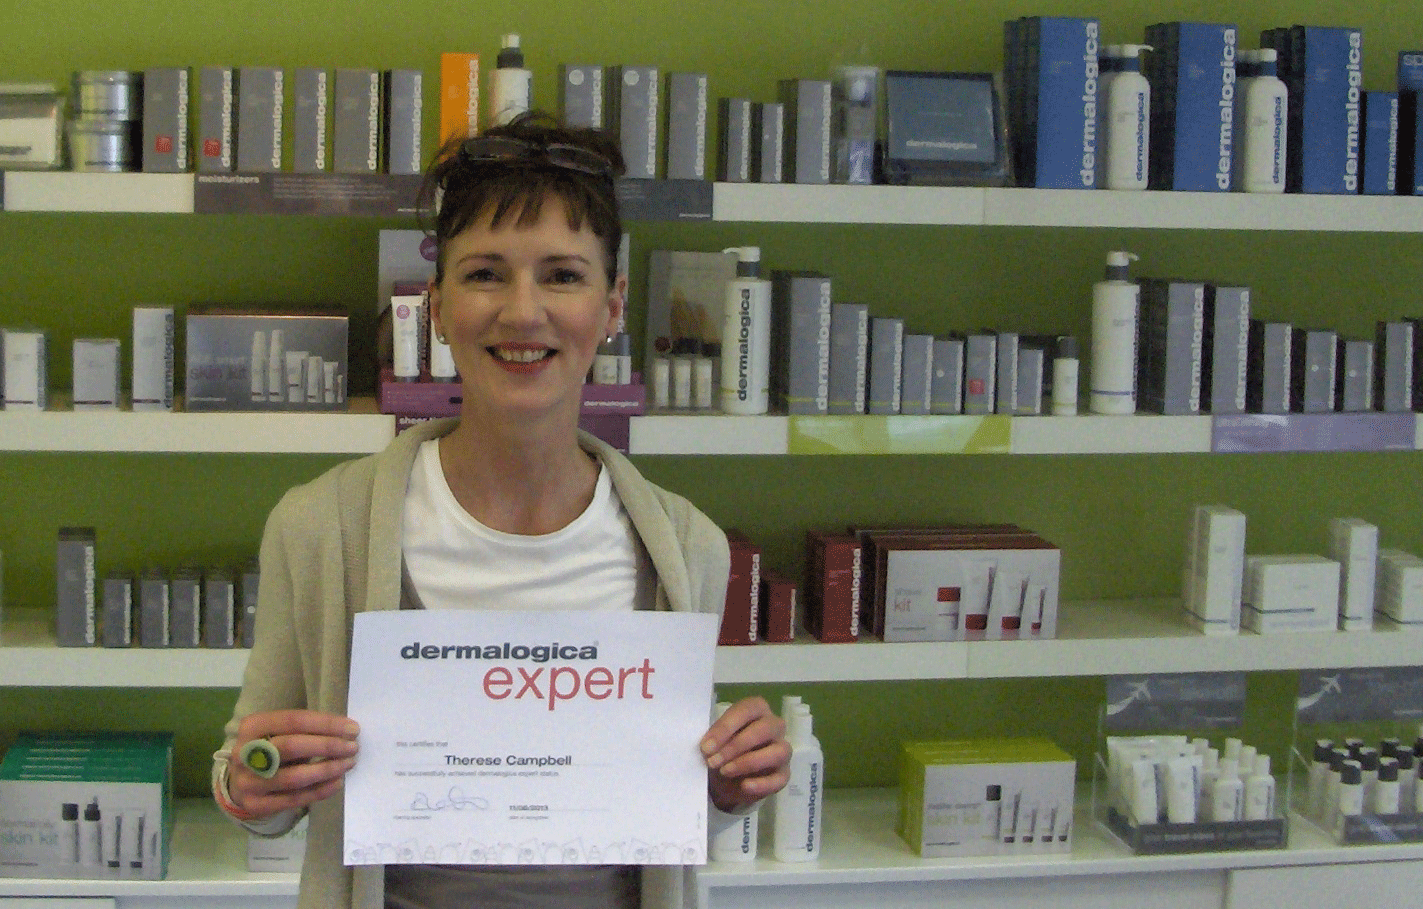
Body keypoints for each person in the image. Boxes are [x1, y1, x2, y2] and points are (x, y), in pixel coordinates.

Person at [212, 111, 792, 909]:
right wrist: (250, 783)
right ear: (437, 304)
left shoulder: (685, 544)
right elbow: (253, 788)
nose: (522, 312)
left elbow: (661, 810)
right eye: (485, 273)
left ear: (613, 305)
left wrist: (728, 785)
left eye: (563, 275)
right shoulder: (320, 526)